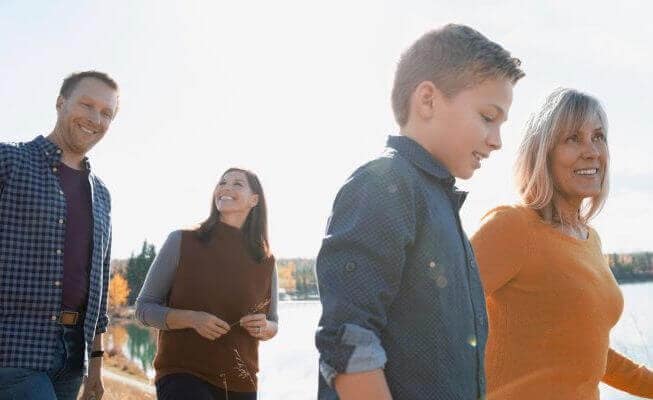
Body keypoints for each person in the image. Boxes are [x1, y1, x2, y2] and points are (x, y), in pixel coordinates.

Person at [315, 24, 524, 400]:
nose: (496, 141)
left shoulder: (442, 204)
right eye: (488, 117)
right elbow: (348, 341)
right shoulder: (384, 184)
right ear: (427, 100)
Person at [471, 88, 653, 399]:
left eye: (598, 137)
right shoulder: (512, 227)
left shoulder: (589, 240)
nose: (591, 151)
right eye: (573, 138)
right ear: (543, 153)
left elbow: (584, 351)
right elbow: (428, 316)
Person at [0, 71, 119, 400]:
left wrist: (95, 366)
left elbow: (99, 288)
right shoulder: (8, 161)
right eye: (87, 104)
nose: (96, 118)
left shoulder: (102, 194)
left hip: (72, 357)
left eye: (107, 112)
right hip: (12, 349)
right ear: (60, 103)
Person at [135, 168, 278, 400]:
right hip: (183, 374)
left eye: (237, 184)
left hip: (241, 383)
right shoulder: (181, 241)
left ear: (255, 200)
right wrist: (192, 319)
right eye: (222, 182)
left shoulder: (265, 260)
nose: (226, 188)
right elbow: (143, 309)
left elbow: (273, 324)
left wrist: (263, 327)